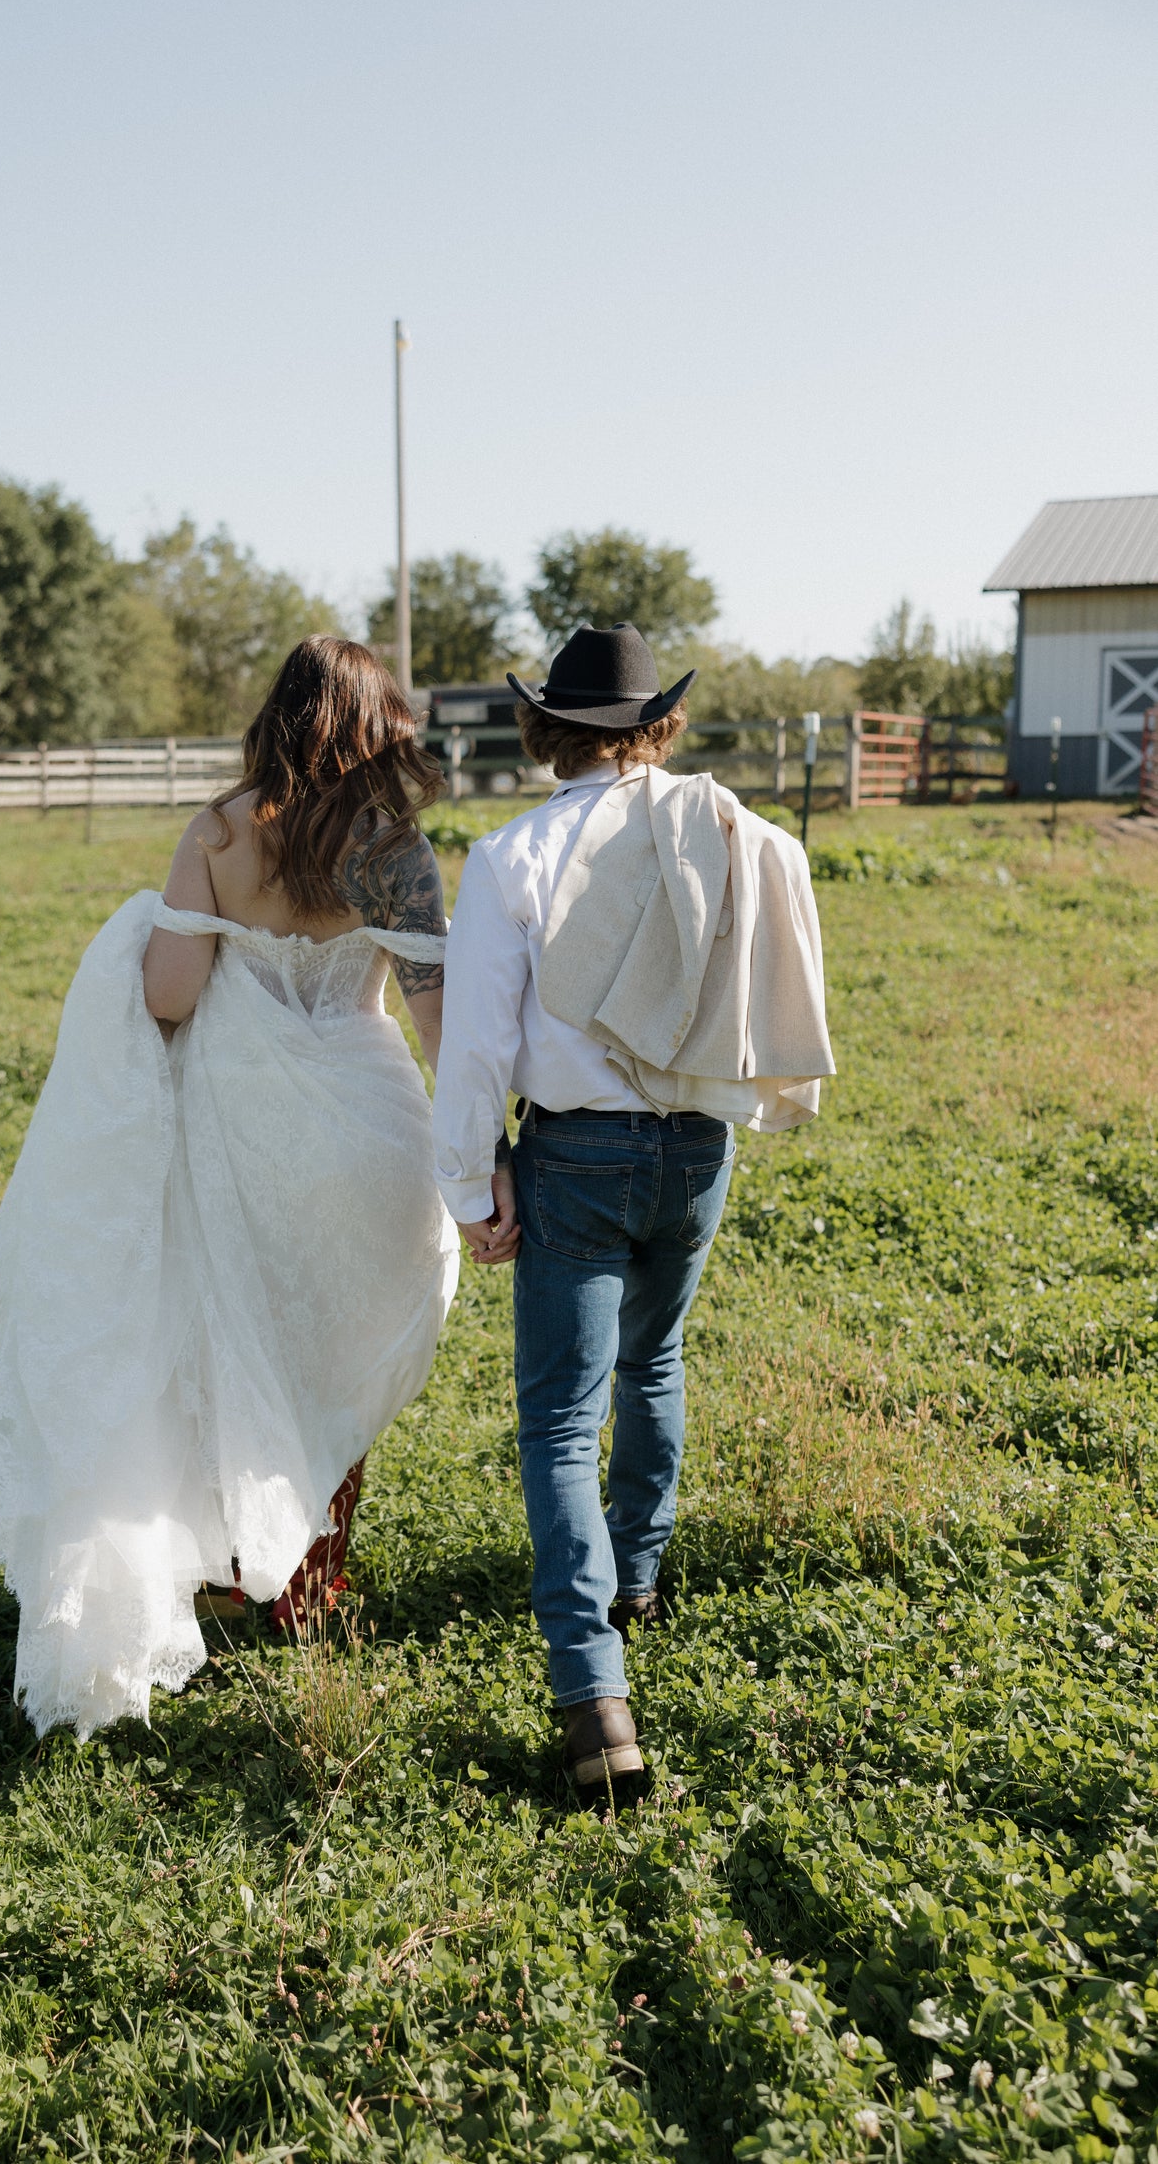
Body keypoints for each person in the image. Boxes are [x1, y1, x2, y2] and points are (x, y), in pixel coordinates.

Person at [0, 638, 460, 1739]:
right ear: (378, 726)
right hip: (366, 1125)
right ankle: (308, 1579)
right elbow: (437, 1021)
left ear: (280, 717)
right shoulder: (396, 850)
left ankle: (241, 1562)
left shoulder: (222, 832)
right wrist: (487, 1151)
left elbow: (170, 994)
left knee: (241, 1331)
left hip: (241, 1127)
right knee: (333, 1343)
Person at [431, 623, 834, 1799]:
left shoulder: (511, 855)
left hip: (575, 1151)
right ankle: (635, 1581)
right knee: (652, 1362)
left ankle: (593, 1696)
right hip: (697, 1145)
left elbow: (474, 1048)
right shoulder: (729, 834)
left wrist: (469, 1182)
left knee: (559, 1421)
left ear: (541, 726)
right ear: (656, 723)